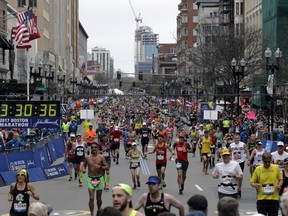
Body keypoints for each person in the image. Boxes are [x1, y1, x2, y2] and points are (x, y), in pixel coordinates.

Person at [83, 142, 109, 216]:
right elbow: (84, 166)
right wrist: (84, 170)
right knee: (91, 198)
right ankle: (92, 214)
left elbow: (107, 167)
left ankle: (99, 211)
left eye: (95, 147)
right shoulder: (88, 158)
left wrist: (101, 167)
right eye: (92, 147)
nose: (93, 149)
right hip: (90, 178)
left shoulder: (101, 157)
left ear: (97, 148)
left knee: (98, 198)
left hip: (99, 178)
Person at [228, 133, 249, 199]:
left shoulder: (243, 144)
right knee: (233, 176)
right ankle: (234, 190)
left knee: (240, 177)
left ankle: (239, 189)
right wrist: (229, 159)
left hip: (241, 162)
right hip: (233, 163)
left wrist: (248, 159)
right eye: (235, 138)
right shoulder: (231, 145)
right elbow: (228, 152)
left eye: (238, 138)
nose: (237, 139)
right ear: (233, 139)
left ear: (239, 139)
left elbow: (247, 151)